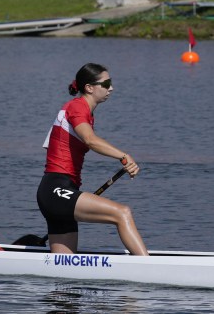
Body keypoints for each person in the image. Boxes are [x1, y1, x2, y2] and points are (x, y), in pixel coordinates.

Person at [38, 63, 148, 256]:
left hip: (63, 192)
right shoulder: (77, 107)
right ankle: (149, 268)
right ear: (89, 87)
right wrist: (124, 156)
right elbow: (90, 140)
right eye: (106, 83)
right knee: (122, 213)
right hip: (56, 190)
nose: (111, 88)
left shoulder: (81, 112)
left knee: (65, 268)